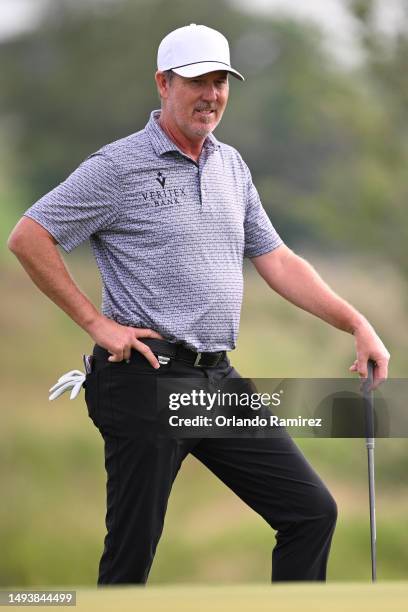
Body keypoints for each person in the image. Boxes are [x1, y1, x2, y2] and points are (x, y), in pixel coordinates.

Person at [7, 23, 389, 585]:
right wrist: (95, 322)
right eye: (196, 81)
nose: (211, 94)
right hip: (145, 379)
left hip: (219, 381)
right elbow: (29, 235)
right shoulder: (118, 166)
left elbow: (277, 259)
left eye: (220, 81)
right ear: (163, 83)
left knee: (311, 512)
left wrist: (356, 322)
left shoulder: (231, 165)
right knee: (130, 563)